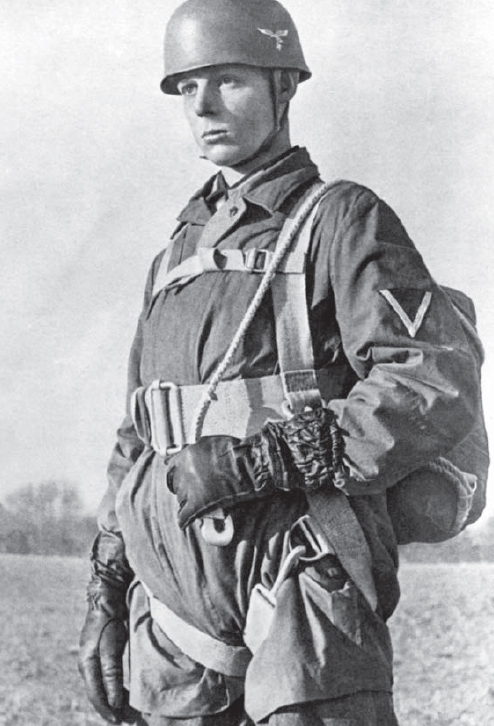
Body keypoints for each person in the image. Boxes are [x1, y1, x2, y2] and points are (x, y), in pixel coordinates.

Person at [78, 1, 480, 724]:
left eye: (227, 80)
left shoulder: (341, 220)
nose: (202, 105)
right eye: (186, 87)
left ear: (283, 87)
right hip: (173, 613)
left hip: (298, 589)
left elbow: (429, 379)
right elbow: (140, 429)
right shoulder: (176, 257)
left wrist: (257, 464)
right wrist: (108, 579)